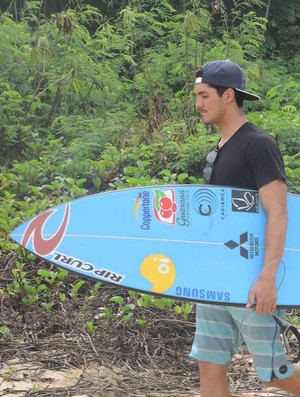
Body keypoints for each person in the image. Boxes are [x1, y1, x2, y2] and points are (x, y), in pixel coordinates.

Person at [190, 59, 300, 397]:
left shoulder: (258, 144)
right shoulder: (217, 151)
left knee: (273, 374)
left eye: (205, 95)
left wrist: (268, 277)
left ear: (228, 96)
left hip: (249, 282)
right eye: (197, 96)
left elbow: (278, 213)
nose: (199, 104)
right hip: (215, 282)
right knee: (209, 365)